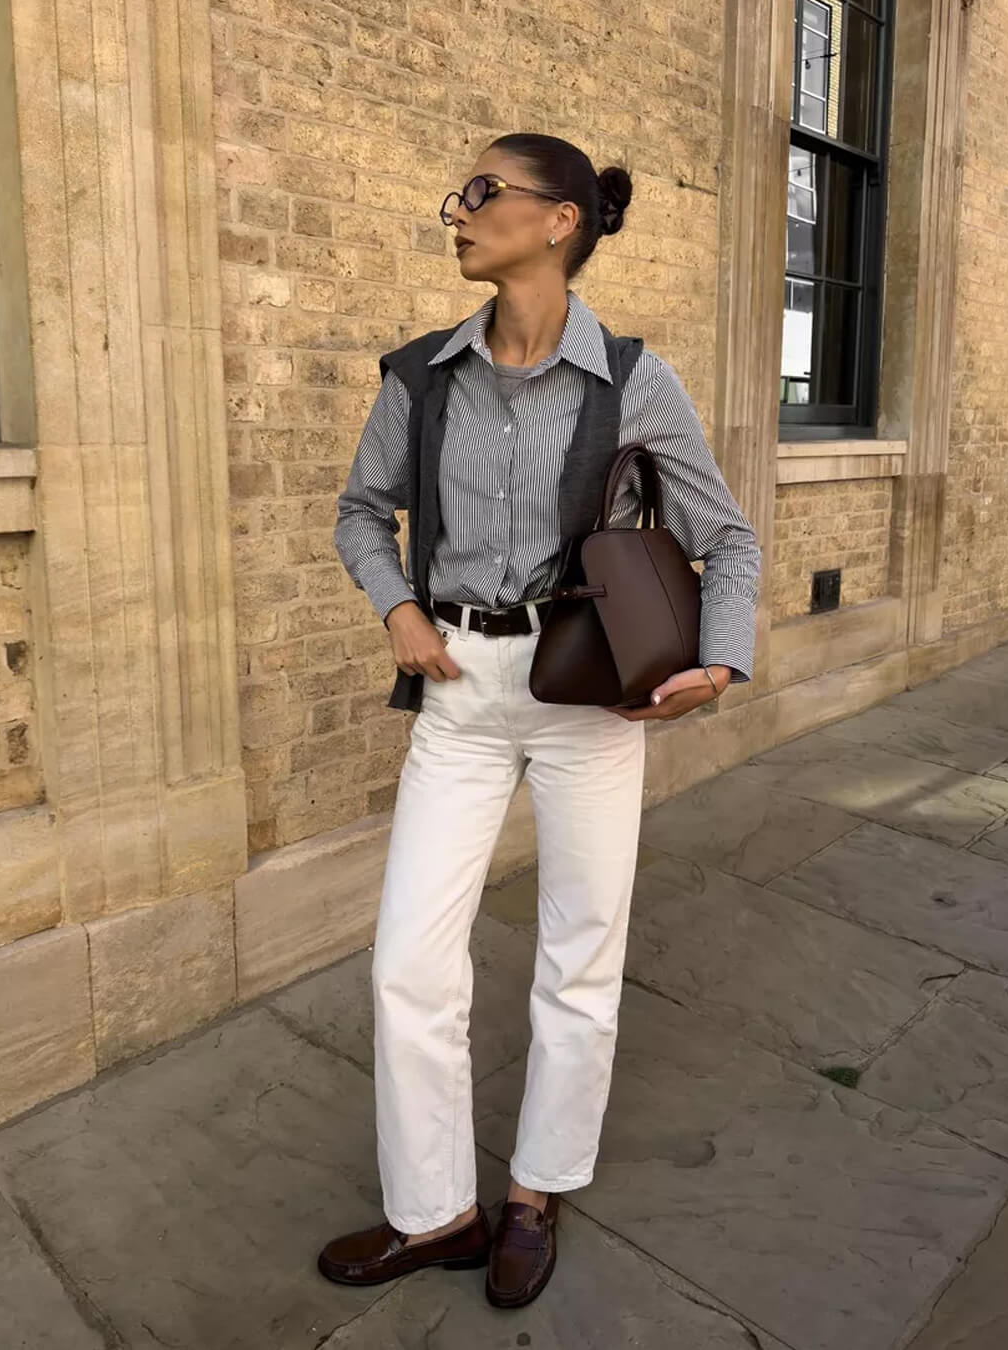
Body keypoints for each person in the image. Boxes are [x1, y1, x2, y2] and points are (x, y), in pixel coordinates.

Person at [320, 133, 760, 1309]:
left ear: (558, 221)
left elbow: (727, 539)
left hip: (585, 694)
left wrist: (721, 660)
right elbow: (361, 512)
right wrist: (399, 608)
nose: (457, 211)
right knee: (409, 962)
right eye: (461, 193)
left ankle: (534, 1192)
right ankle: (435, 1212)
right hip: (459, 690)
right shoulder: (422, 377)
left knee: (580, 952)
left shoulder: (632, 380)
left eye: (482, 192)